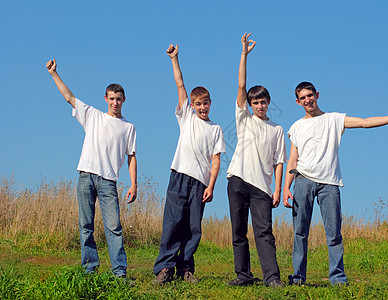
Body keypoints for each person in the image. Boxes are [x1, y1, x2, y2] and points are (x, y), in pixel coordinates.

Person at [283, 81, 388, 285]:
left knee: (333, 233)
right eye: (303, 98)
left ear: (317, 95)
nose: (308, 100)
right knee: (300, 232)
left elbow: (364, 122)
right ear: (298, 102)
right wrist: (286, 188)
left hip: (329, 183)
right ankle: (297, 278)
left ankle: (338, 278)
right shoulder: (296, 127)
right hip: (302, 181)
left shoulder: (334, 119)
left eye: (310, 95)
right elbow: (292, 160)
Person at [46, 59, 137, 278]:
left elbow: (132, 156)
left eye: (119, 99)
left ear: (124, 100)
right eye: (112, 99)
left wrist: (134, 184)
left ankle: (119, 273)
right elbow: (69, 97)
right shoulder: (93, 116)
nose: (115, 103)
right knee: (85, 224)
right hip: (86, 175)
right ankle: (89, 269)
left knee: (113, 227)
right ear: (105, 99)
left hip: (108, 181)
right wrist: (54, 73)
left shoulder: (128, 127)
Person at [153, 44, 226, 284]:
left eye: (205, 103)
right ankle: (165, 268)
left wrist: (211, 186)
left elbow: (216, 160)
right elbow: (180, 84)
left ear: (210, 103)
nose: (202, 107)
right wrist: (175, 59)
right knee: (173, 222)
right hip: (179, 176)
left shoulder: (216, 129)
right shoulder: (186, 117)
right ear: (192, 106)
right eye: (198, 104)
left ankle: (186, 269)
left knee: (193, 227)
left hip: (200, 182)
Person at [226, 33, 287, 287]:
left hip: (262, 187)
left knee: (264, 233)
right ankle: (243, 275)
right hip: (238, 179)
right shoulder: (244, 120)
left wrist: (278, 189)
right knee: (239, 231)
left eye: (263, 102)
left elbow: (280, 161)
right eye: (255, 102)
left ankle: (272, 278)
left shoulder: (277, 129)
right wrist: (244, 55)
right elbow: (241, 86)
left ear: (268, 103)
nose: (259, 106)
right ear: (249, 105)